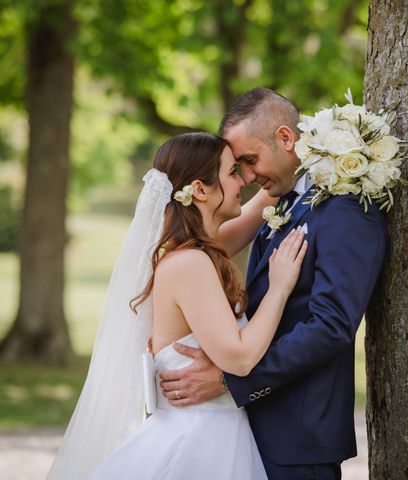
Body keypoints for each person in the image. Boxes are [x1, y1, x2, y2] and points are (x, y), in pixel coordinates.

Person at [158, 88, 389, 479]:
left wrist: (231, 381)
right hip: (247, 430)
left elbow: (331, 326)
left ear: (286, 138)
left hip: (297, 435)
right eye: (237, 169)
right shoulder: (279, 203)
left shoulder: (345, 209)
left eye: (248, 161)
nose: (247, 177)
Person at [47, 132, 307, 479]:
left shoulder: (197, 253)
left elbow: (258, 207)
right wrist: (280, 288)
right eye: (233, 172)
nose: (244, 180)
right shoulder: (190, 264)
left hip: (214, 432)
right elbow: (240, 358)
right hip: (198, 442)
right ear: (200, 189)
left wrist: (307, 149)